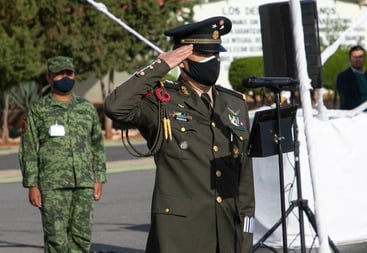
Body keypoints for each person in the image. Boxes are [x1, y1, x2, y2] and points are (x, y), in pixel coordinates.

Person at [104, 16, 255, 253]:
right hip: (180, 235)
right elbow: (115, 106)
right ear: (182, 60)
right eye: (204, 55)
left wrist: (246, 236)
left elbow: (244, 177)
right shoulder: (162, 101)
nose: (212, 62)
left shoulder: (234, 103)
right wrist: (161, 65)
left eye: (216, 55)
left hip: (227, 232)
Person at [19, 56, 107, 253]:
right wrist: (32, 184)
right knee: (56, 239)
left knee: (82, 238)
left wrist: (98, 177)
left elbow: (96, 145)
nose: (65, 78)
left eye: (69, 73)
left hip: (83, 183)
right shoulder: (38, 109)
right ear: (49, 77)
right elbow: (29, 148)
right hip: (52, 185)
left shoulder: (86, 108)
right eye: (59, 74)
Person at [336, 45, 367, 111]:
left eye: (360, 57)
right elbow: (345, 98)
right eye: (355, 57)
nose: (357, 59)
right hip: (353, 115)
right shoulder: (343, 77)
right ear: (350, 58)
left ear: (364, 58)